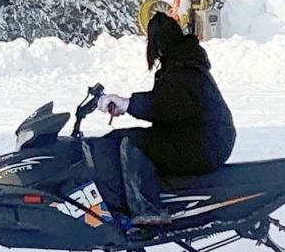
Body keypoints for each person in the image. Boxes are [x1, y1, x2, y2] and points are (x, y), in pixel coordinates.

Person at [96, 12, 236, 228]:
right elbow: (167, 107)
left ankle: (147, 211)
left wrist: (128, 104)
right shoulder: (182, 61)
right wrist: (128, 105)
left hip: (206, 144)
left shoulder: (183, 68)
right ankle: (123, 204)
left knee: (131, 145)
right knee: (119, 138)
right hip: (197, 136)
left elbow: (166, 105)